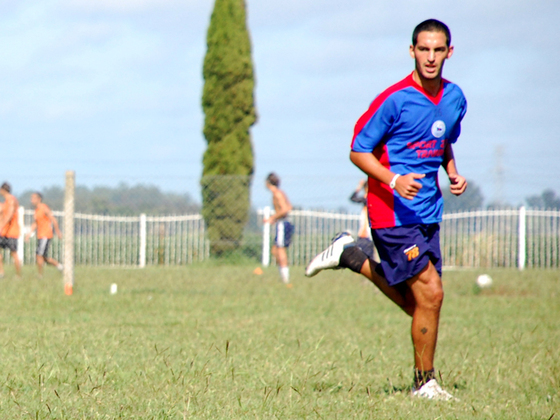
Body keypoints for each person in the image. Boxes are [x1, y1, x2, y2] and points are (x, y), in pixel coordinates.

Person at [305, 19, 467, 400]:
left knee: (422, 304)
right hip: (391, 213)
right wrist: (393, 180)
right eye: (423, 49)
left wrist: (454, 173)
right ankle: (424, 384)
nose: (430, 57)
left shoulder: (455, 98)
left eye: (437, 50)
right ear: (411, 51)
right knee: (432, 294)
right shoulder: (393, 100)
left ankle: (352, 256)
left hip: (428, 212)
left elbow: (441, 141)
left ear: (449, 52)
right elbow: (357, 150)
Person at [264, 173, 294, 284]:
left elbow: (285, 209)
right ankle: (282, 275)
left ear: (268, 183)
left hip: (283, 223)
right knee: (274, 250)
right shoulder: (280, 193)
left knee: (280, 250)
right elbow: (289, 206)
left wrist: (272, 217)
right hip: (283, 222)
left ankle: (285, 279)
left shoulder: (277, 194)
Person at [25, 192, 63, 277]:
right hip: (40, 235)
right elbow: (35, 223)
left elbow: (53, 219)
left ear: (39, 199)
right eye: (31, 198)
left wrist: (58, 231)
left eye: (33, 198)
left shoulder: (44, 208)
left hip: (46, 235)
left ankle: (40, 275)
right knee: (43, 257)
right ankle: (60, 267)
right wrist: (29, 234)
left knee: (39, 255)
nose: (32, 200)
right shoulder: (36, 210)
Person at [349, 179, 378, 261]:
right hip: (364, 235)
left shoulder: (370, 200)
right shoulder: (368, 201)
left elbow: (353, 198)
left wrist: (359, 186)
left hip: (368, 235)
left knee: (366, 258)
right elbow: (353, 198)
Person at [0, 182, 22, 278]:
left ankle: (18, 275)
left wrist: (1, 226)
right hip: (4, 231)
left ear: (3, 190)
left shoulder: (11, 200)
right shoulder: (5, 202)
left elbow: (9, 215)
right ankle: (1, 272)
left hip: (11, 231)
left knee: (14, 253)